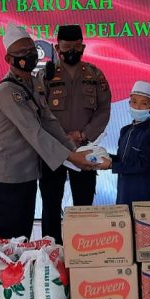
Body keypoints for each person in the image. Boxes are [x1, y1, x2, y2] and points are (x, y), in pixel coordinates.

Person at [0, 26, 94, 240]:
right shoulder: (8, 91)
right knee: (7, 239)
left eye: (31, 50)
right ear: (8, 58)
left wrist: (72, 150)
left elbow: (49, 121)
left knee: (22, 235)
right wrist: (71, 157)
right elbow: (34, 132)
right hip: (10, 175)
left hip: (28, 172)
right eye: (22, 53)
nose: (29, 55)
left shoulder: (33, 83)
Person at [40, 24, 112, 243]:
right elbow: (39, 112)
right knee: (51, 203)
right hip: (54, 150)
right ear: (57, 48)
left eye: (76, 47)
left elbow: (103, 109)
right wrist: (63, 139)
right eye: (66, 47)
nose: (72, 51)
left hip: (84, 148)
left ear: (83, 47)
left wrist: (83, 134)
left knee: (84, 203)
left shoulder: (94, 74)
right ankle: (52, 250)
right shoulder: (45, 75)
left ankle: (83, 249)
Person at [108, 81, 150, 205]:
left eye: (144, 103)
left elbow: (144, 165)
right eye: (134, 102)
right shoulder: (125, 130)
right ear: (129, 103)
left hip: (142, 192)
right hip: (124, 190)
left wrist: (111, 165)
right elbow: (123, 159)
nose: (137, 107)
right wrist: (105, 157)